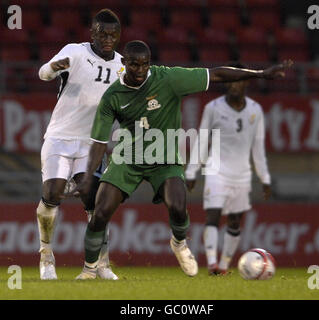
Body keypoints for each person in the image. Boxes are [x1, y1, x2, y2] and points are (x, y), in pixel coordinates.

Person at [71, 40, 292, 279]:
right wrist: (87, 176)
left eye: (145, 64)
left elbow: (216, 74)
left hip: (164, 158)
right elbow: (99, 143)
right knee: (101, 212)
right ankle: (89, 269)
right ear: (124, 63)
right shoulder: (112, 96)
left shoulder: (169, 79)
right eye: (134, 65)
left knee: (177, 206)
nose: (140, 70)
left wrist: (259, 73)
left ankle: (179, 243)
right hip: (128, 158)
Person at [37, 9, 123, 280]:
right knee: (52, 193)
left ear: (118, 36)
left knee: (94, 201)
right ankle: (46, 255)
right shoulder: (75, 51)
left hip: (91, 143)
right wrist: (53, 67)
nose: (107, 39)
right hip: (60, 137)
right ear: (92, 33)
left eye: (112, 34)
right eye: (102, 34)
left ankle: (102, 263)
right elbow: (42, 74)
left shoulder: (122, 65)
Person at [185, 62, 272, 275]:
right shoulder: (213, 108)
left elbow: (258, 147)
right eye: (230, 81)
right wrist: (191, 170)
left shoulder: (255, 110)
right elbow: (202, 139)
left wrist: (265, 177)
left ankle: (224, 265)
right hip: (216, 171)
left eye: (239, 81)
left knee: (234, 222)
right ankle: (213, 263)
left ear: (245, 83)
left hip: (242, 175)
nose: (234, 85)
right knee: (212, 216)